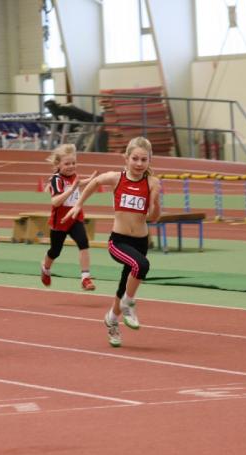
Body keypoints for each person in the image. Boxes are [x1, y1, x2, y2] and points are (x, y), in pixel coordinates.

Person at [63, 136, 161, 347]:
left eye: (144, 160)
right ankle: (128, 304)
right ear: (126, 158)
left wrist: (154, 203)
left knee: (124, 285)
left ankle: (112, 319)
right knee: (142, 265)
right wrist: (79, 204)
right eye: (135, 159)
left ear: (149, 161)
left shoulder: (152, 183)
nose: (139, 164)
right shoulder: (117, 178)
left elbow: (153, 217)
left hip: (141, 242)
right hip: (118, 242)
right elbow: (95, 182)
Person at [40, 143, 97, 291]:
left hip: (75, 217)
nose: (71, 166)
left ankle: (85, 278)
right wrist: (71, 189)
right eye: (67, 164)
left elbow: (78, 183)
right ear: (58, 164)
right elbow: (55, 201)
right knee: (55, 251)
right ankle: (45, 268)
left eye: (73, 163)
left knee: (83, 243)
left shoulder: (73, 176)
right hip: (60, 221)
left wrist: (91, 180)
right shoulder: (56, 180)